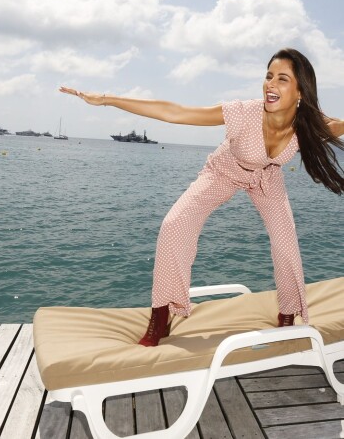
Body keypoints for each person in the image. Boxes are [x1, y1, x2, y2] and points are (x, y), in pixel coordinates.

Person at [60, 48, 344, 346]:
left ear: (300, 90)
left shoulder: (309, 124)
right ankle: (160, 316)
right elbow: (176, 112)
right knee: (175, 225)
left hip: (266, 179)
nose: (270, 84)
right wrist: (105, 99)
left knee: (287, 246)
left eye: (282, 79)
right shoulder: (243, 112)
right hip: (224, 170)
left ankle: (287, 314)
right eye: (268, 76)